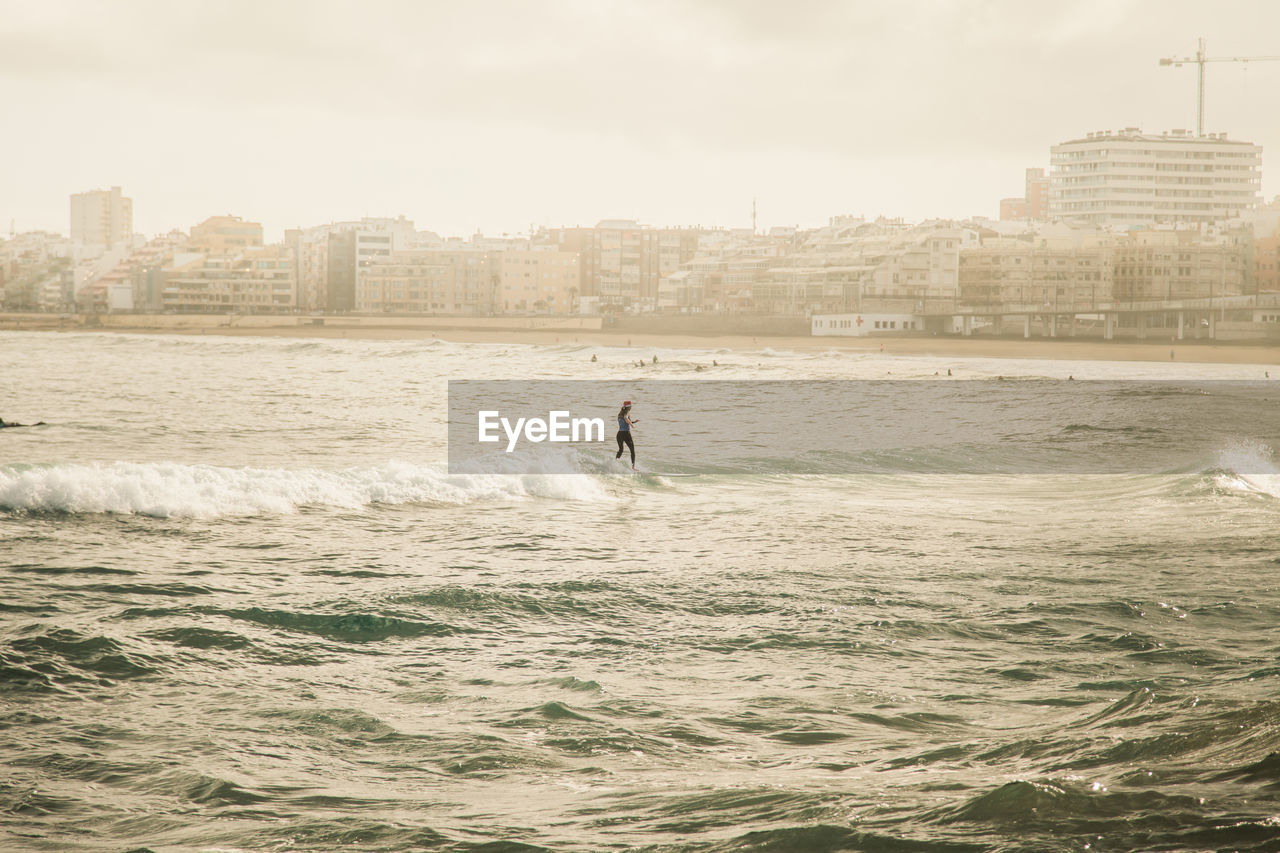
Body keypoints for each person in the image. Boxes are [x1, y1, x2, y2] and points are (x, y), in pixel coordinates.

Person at [615, 400, 637, 470]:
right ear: (629, 407)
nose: (631, 407)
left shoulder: (619, 414)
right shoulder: (626, 413)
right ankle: (633, 467)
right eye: (631, 406)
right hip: (626, 434)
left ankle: (615, 463)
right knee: (632, 451)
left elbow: (626, 420)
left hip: (619, 434)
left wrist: (634, 422)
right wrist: (631, 425)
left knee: (621, 450)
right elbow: (626, 419)